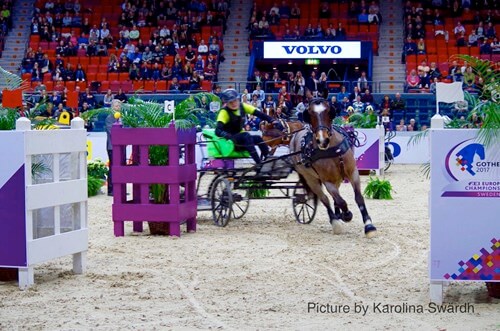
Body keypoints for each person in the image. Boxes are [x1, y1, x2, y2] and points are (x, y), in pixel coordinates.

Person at [215, 89, 274, 164]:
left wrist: (272, 120)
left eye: (235, 100)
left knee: (258, 138)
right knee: (246, 135)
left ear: (238, 99)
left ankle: (268, 158)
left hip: (242, 139)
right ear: (226, 103)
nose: (234, 104)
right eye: (230, 102)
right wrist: (227, 135)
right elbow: (217, 131)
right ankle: (258, 163)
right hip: (230, 142)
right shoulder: (224, 112)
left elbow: (259, 114)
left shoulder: (242, 106)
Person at [105, 99, 122, 196]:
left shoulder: (121, 118)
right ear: (112, 107)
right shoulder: (109, 118)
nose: (118, 108)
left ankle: (120, 189)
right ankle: (111, 189)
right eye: (116, 106)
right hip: (112, 147)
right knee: (113, 167)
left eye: (119, 106)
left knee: (120, 167)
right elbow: (112, 132)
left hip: (121, 147)